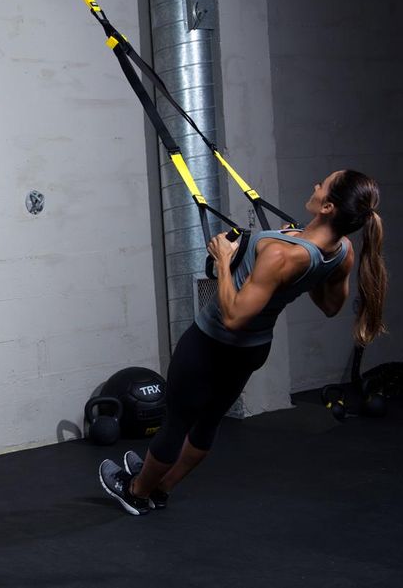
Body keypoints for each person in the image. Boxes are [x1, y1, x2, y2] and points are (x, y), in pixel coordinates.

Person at [99, 169, 387, 515]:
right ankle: (161, 487)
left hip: (211, 344)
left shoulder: (282, 254)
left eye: (322, 184)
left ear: (327, 206)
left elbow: (235, 315)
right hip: (252, 351)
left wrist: (223, 261)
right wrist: (300, 272)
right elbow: (330, 306)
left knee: (176, 420)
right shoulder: (342, 250)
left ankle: (136, 492)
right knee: (208, 421)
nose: (315, 184)